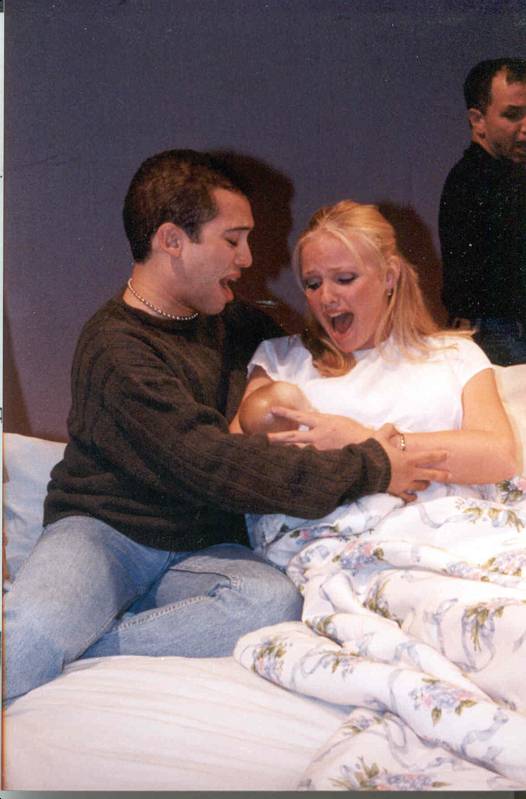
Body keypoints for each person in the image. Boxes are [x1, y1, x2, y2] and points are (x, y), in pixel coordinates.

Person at [3, 150, 448, 702]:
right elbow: (209, 462)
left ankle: (89, 653)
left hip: (202, 545)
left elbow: (326, 355)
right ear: (172, 240)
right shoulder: (115, 347)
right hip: (106, 533)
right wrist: (372, 466)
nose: (247, 258)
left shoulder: (237, 323)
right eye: (233, 240)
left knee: (271, 601)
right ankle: (62, 644)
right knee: (28, 642)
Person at [232, 200, 517, 495]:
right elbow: (239, 467)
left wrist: (363, 442)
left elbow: (499, 457)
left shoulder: (455, 354)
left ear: (389, 276)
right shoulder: (279, 361)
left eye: (344, 279)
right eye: (313, 284)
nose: (326, 297)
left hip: (452, 520)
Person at [439, 57, 526, 366]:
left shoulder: (509, 174)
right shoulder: (471, 181)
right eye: (512, 115)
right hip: (500, 334)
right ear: (477, 120)